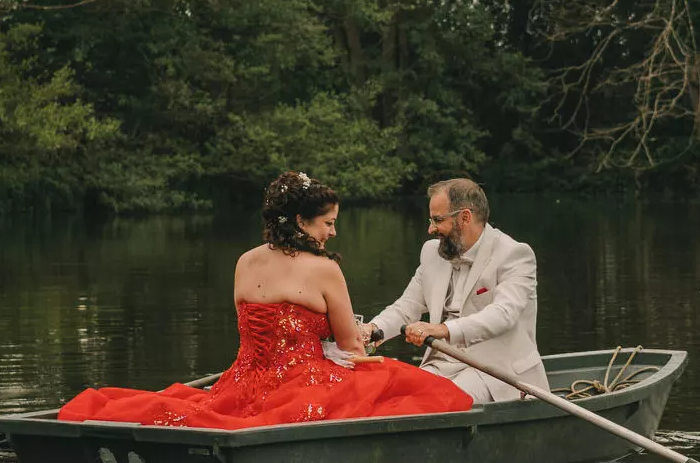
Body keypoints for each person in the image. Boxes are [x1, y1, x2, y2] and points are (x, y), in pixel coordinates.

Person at [57, 172, 473, 429]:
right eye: (328, 224)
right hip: (303, 383)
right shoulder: (323, 268)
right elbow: (349, 346)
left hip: (242, 381)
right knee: (413, 385)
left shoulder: (244, 263)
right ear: (300, 221)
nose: (332, 233)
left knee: (192, 403)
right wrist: (365, 346)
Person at [362, 177, 548, 403]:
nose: (431, 229)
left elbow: (503, 315)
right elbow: (406, 307)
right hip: (441, 365)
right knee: (385, 395)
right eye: (430, 220)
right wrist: (372, 330)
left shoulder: (514, 254)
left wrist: (442, 329)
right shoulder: (432, 253)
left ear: (465, 217)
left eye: (437, 220)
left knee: (436, 402)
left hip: (496, 373)